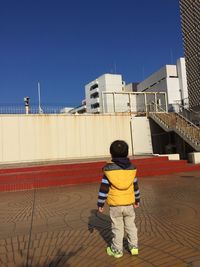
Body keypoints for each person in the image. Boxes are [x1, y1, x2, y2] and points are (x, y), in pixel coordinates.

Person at [97, 140, 140, 258]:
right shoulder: (132, 170)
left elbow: (103, 189)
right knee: (131, 226)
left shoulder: (109, 171)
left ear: (111, 154)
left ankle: (117, 250)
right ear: (127, 153)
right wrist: (137, 200)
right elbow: (135, 186)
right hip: (129, 204)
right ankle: (134, 247)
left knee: (117, 228)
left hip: (115, 206)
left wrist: (100, 203)